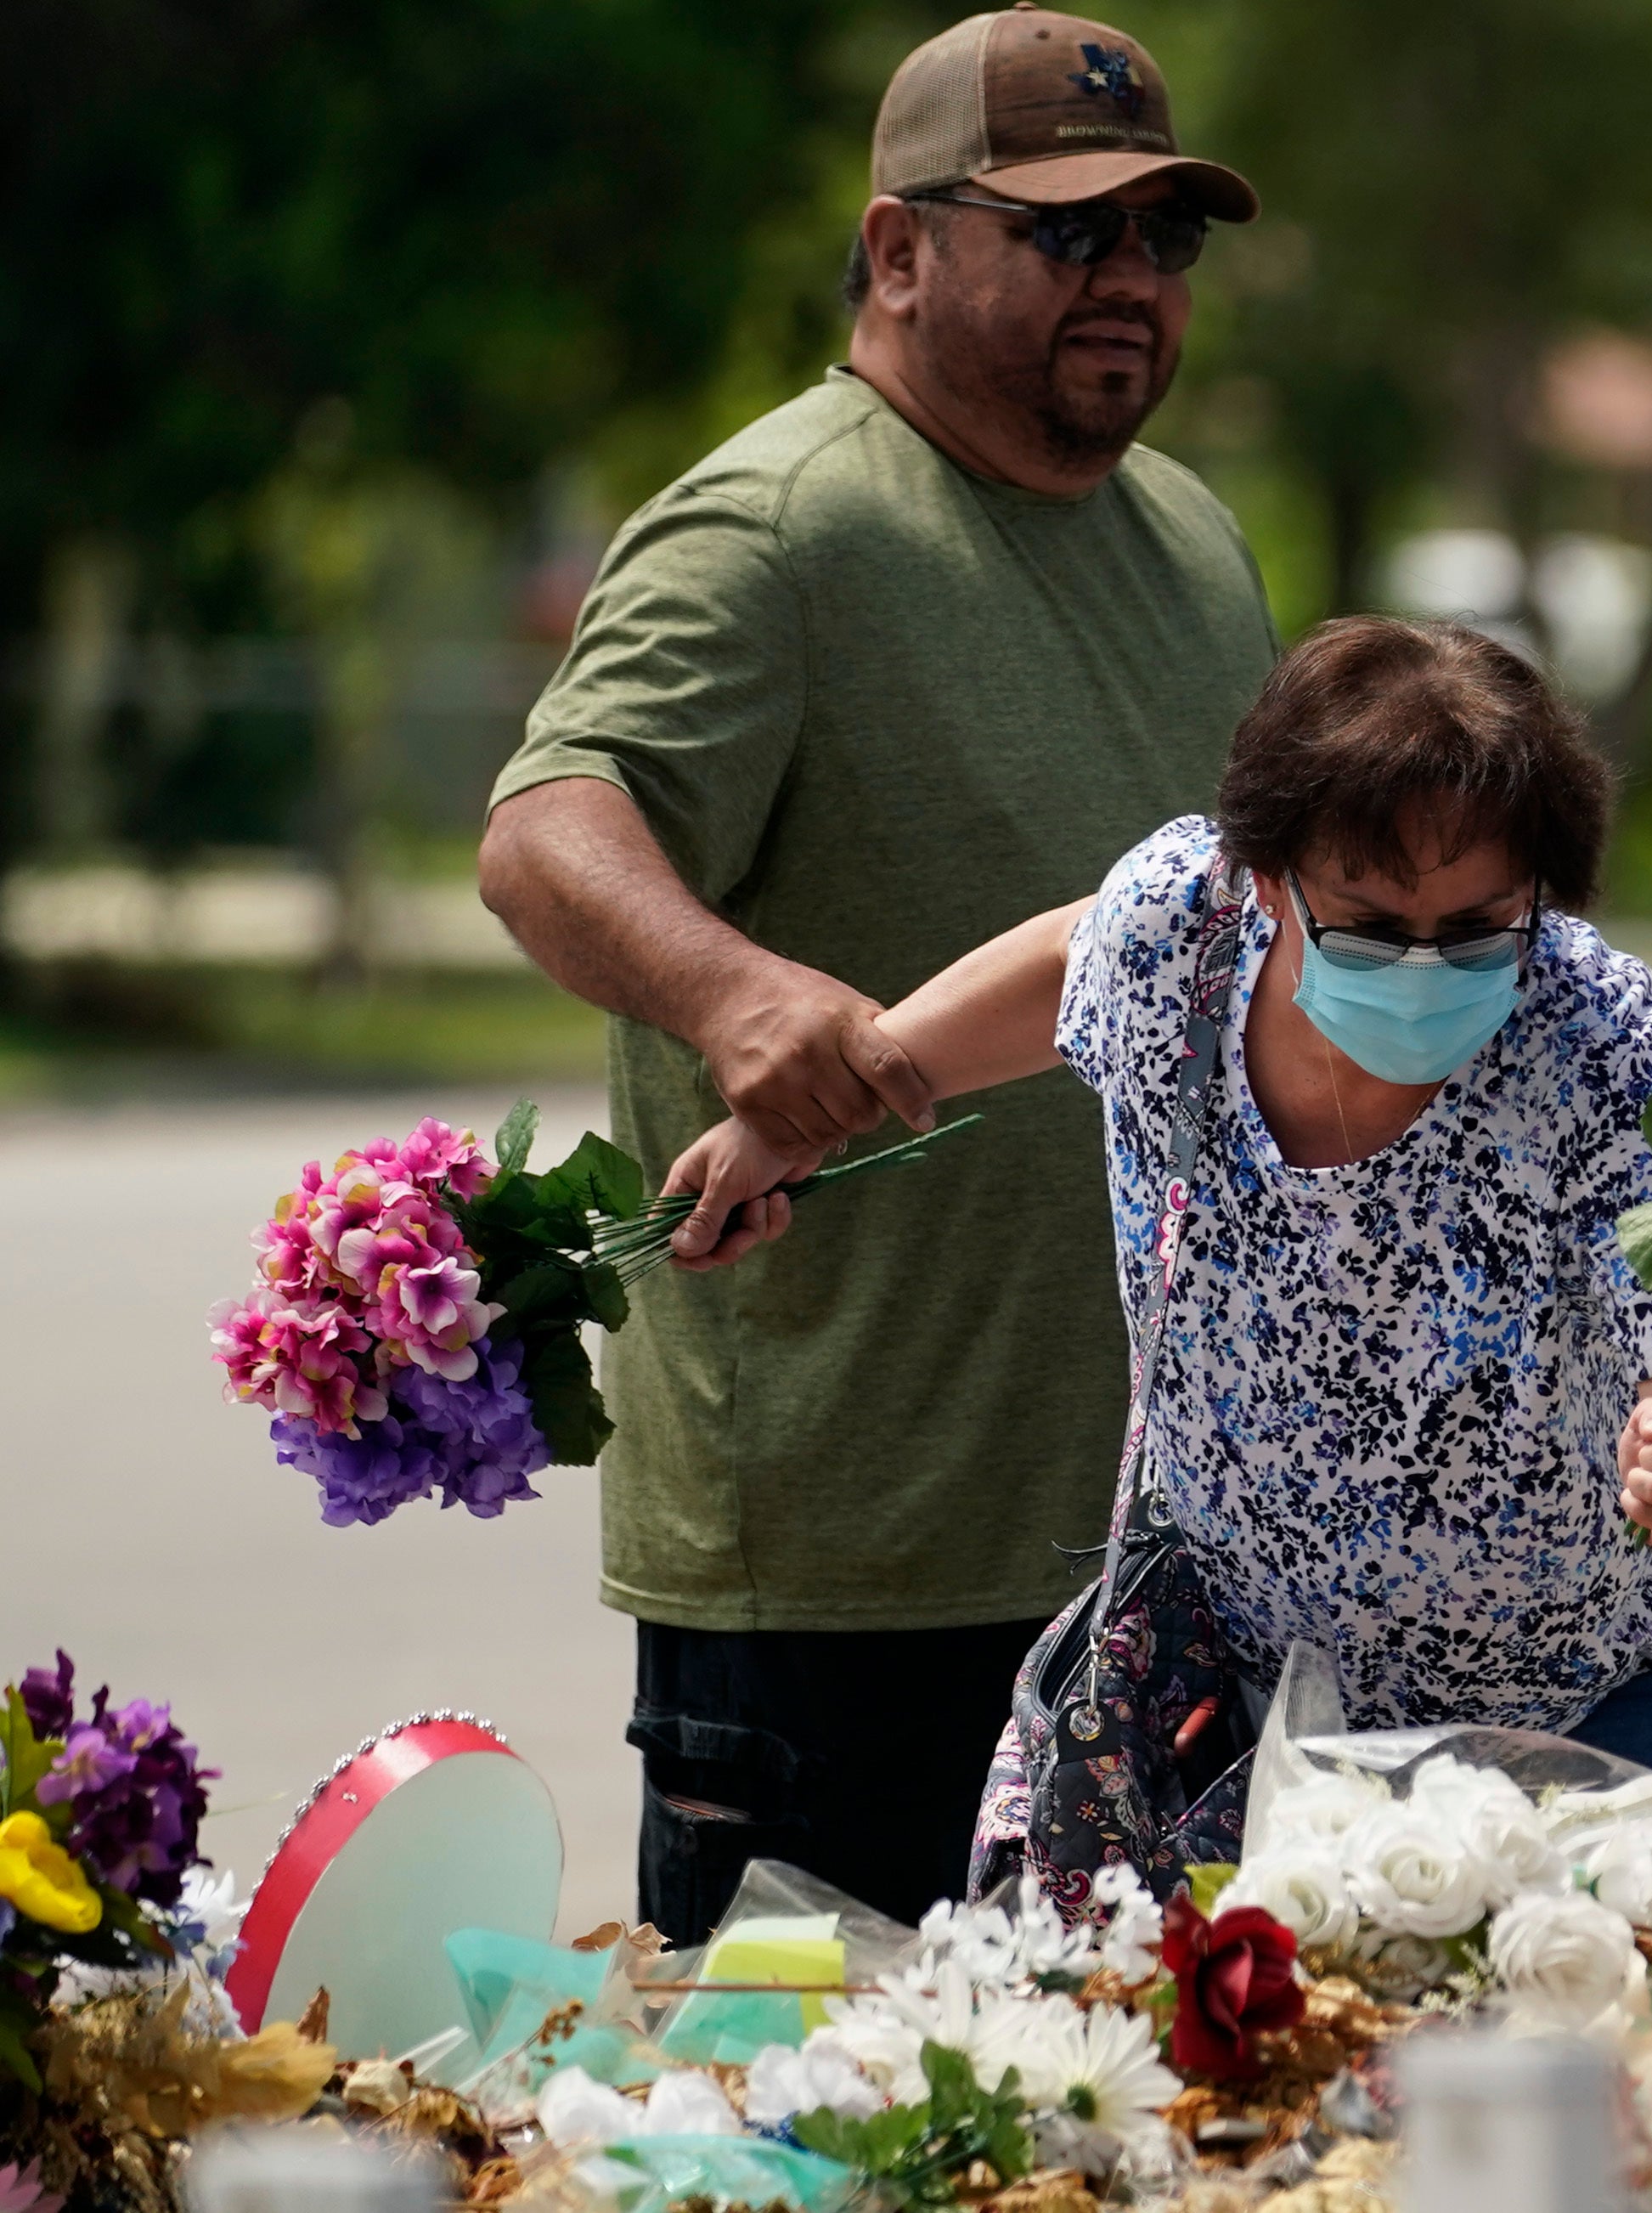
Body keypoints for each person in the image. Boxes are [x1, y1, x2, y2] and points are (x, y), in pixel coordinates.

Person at [475, 8, 1275, 1935]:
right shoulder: (779, 528)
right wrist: (743, 999)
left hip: (1155, 1551)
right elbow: (545, 827)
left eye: (1163, 242)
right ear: (900, 251)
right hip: (849, 1582)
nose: (1131, 284)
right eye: (1066, 233)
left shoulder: (1193, 541)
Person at [664, 618, 1652, 1816]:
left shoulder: (1599, 1045)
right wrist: (825, 1105)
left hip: (1583, 1706)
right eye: (1370, 926)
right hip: (1249, 1680)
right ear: (1265, 879)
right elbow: (1076, 952)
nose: (1424, 969)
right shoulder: (1184, 932)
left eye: (1479, 929)